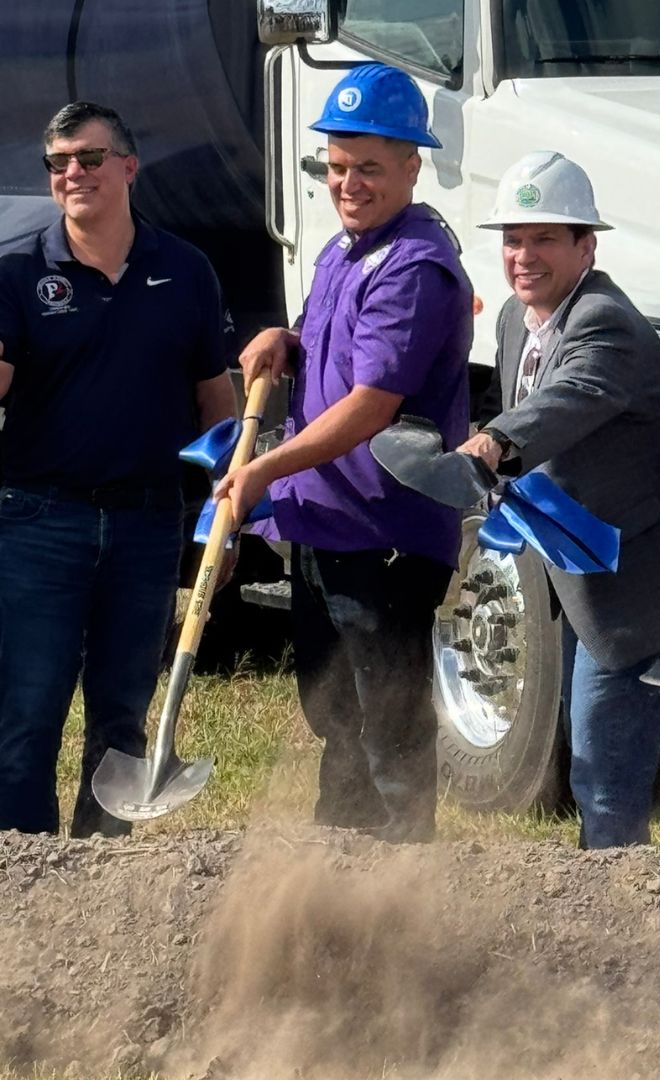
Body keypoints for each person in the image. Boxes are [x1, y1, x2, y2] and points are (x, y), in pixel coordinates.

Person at [217, 64, 472, 842]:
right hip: (326, 522)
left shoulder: (416, 266)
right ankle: (338, 868)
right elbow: (338, 350)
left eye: (368, 168)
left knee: (388, 728)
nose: (348, 184)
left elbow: (371, 404)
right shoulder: (343, 251)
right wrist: (286, 340)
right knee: (338, 719)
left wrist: (263, 468)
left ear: (411, 166)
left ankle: (401, 879)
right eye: (335, 167)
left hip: (383, 533)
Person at [457, 151, 660, 849]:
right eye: (513, 239)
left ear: (586, 246)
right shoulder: (514, 318)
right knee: (588, 755)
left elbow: (570, 398)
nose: (524, 256)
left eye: (544, 239)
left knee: (605, 772)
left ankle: (623, 901)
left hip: (640, 581)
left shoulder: (606, 323)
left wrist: (496, 441)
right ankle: (608, 884)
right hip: (578, 569)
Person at [0, 101, 236, 836]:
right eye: (59, 162)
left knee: (123, 716)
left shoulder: (186, 271)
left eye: (91, 157)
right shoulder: (17, 272)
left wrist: (226, 514)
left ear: (130, 167)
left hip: (147, 523)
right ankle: (24, 874)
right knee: (26, 712)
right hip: (38, 521)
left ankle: (105, 878)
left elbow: (217, 402)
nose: (73, 172)